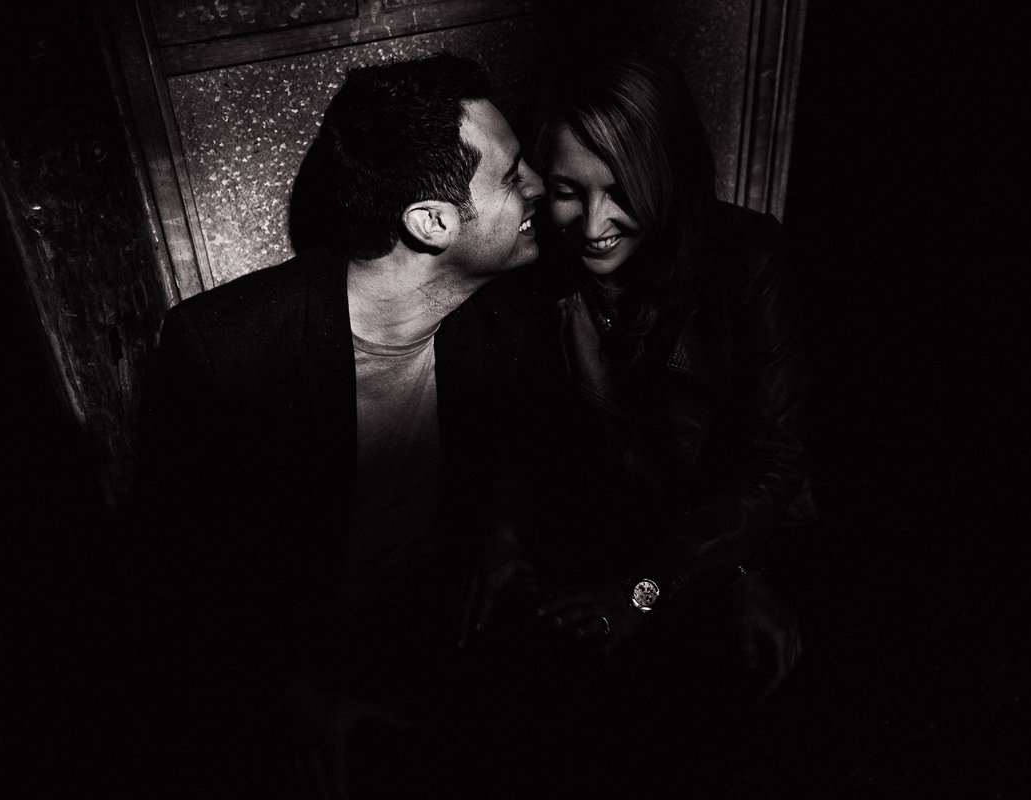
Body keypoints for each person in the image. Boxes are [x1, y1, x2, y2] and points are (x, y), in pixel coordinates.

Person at [131, 53, 544, 797]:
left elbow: (502, 453)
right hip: (288, 675)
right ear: (431, 222)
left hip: (433, 642)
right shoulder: (226, 352)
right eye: (513, 177)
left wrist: (500, 533)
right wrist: (287, 698)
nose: (539, 187)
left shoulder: (496, 319)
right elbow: (170, 578)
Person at [452, 50, 811, 795]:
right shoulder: (529, 276)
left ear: (668, 173)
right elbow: (513, 437)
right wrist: (502, 534)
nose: (594, 224)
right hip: (603, 545)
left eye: (622, 191)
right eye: (565, 192)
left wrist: (666, 584)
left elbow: (772, 462)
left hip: (725, 544)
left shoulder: (747, 260)